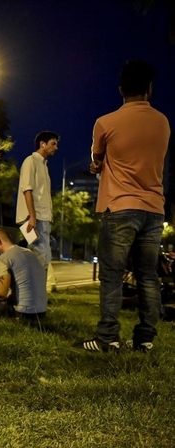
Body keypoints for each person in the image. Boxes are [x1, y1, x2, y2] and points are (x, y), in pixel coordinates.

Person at [83, 59, 170, 352]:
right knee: (148, 275)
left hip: (119, 206)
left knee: (112, 274)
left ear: (121, 89)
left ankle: (108, 338)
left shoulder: (105, 123)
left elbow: (97, 158)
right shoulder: (162, 122)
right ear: (150, 89)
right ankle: (145, 338)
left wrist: (99, 165)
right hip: (154, 208)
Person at [16, 130, 59, 292]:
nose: (56, 147)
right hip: (35, 218)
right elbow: (27, 189)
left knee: (38, 255)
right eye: (53, 143)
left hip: (42, 217)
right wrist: (32, 217)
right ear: (43, 144)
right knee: (41, 255)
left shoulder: (43, 166)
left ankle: (35, 294)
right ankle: (37, 294)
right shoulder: (31, 161)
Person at [0, 228, 47, 321]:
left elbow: (1, 293)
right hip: (41, 313)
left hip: (22, 313)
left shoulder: (4, 258)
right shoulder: (29, 253)